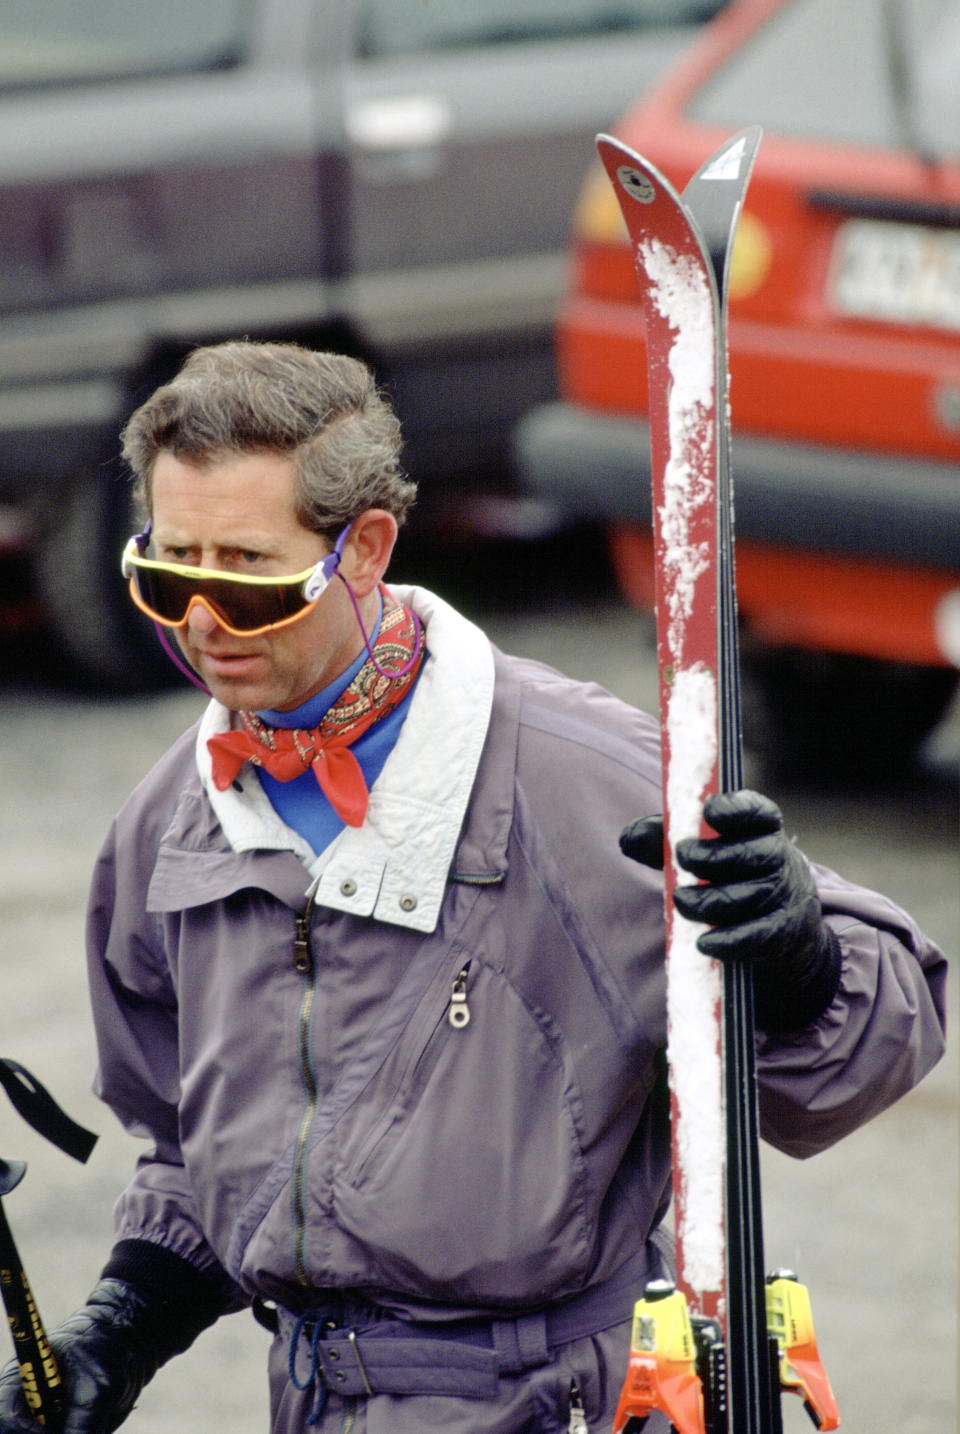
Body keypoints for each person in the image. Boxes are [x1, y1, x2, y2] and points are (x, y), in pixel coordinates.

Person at [0, 342, 946, 1434]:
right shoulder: (171, 821)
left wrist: (798, 958)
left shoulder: (579, 774)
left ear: (365, 551)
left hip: (556, 1402)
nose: (201, 625)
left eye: (245, 580)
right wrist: (119, 1331)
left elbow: (885, 1023)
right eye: (169, 577)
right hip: (309, 1401)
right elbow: (194, 1151)